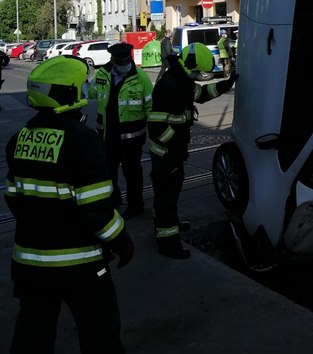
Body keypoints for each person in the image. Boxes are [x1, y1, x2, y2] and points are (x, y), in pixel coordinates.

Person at [6, 55, 134, 354]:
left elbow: (13, 198)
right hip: (82, 267)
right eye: (81, 88)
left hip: (29, 265)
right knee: (100, 335)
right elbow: (96, 211)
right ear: (68, 95)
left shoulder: (18, 139)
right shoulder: (84, 141)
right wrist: (123, 241)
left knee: (32, 337)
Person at [148, 43, 237, 259]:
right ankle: (168, 242)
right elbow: (157, 125)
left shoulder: (182, 80)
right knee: (166, 196)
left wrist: (227, 84)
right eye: (199, 72)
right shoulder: (171, 85)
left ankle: (171, 224)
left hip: (172, 150)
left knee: (172, 192)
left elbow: (201, 93)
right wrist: (174, 149)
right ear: (191, 67)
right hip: (165, 152)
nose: (200, 77)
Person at [86, 43, 153, 219]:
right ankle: (114, 200)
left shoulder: (141, 78)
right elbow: (90, 93)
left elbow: (151, 108)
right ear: (113, 61)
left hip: (132, 138)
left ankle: (136, 205)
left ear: (129, 58)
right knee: (108, 171)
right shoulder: (103, 75)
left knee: (132, 173)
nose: (123, 64)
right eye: (119, 61)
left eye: (125, 60)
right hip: (108, 135)